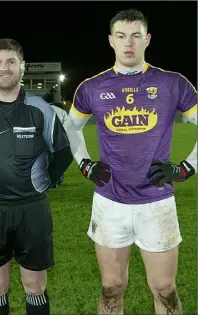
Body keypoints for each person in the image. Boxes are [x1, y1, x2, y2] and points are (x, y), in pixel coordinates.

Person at [64, 8, 197, 315]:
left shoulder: (172, 83)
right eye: (122, 36)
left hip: (157, 201)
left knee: (165, 289)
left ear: (147, 39)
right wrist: (84, 164)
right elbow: (70, 128)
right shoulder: (92, 87)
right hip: (110, 202)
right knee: (111, 288)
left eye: (136, 36)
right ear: (111, 41)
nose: (129, 43)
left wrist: (186, 168)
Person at [0, 38, 73, 315]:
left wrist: (48, 180)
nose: (4, 68)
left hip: (32, 209)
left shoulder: (42, 109)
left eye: (11, 62)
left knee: (34, 285)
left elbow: (64, 153)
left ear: (23, 66)